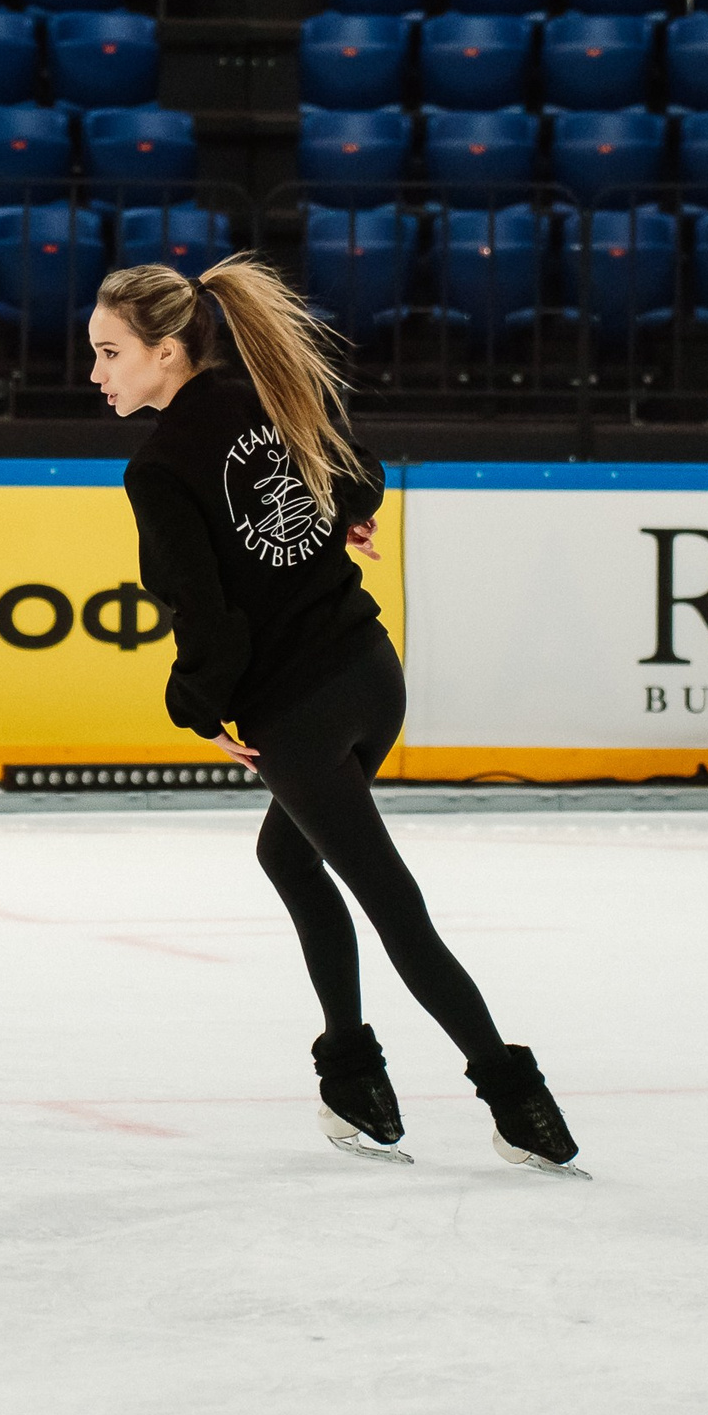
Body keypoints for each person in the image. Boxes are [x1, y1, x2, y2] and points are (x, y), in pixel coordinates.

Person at [87, 254, 585, 1178]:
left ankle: (515, 1094)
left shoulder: (157, 469)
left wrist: (201, 710)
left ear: (164, 353)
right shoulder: (261, 393)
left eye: (111, 353)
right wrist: (344, 516)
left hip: (302, 708)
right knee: (285, 852)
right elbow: (358, 475)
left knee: (394, 905)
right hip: (370, 676)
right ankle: (352, 1075)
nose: (97, 373)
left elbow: (209, 625)